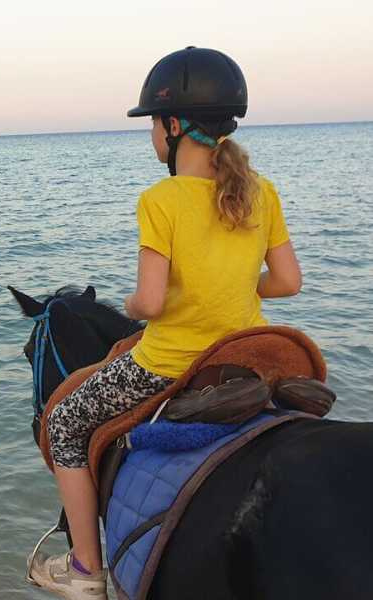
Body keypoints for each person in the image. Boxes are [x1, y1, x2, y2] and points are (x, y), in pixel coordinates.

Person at [28, 47, 302, 600]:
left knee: (64, 424)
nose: (152, 135)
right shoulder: (261, 191)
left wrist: (130, 304)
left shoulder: (161, 199)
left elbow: (151, 304)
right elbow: (288, 282)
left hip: (170, 360)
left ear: (174, 126)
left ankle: (85, 569)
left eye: (153, 123)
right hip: (244, 351)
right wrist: (229, 287)